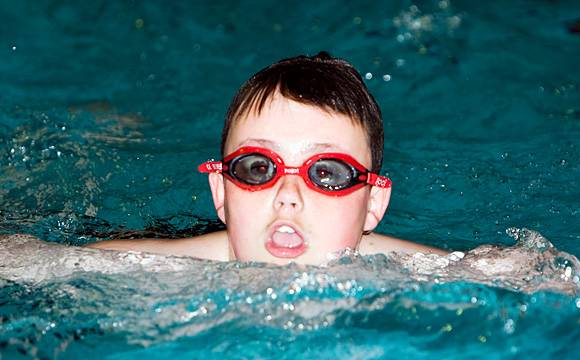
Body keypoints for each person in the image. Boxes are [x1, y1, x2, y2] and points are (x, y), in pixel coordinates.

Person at [88, 52, 447, 264]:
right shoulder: (165, 268)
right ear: (221, 192)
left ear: (372, 203)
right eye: (257, 168)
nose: (288, 194)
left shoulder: (405, 269)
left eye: (326, 172)